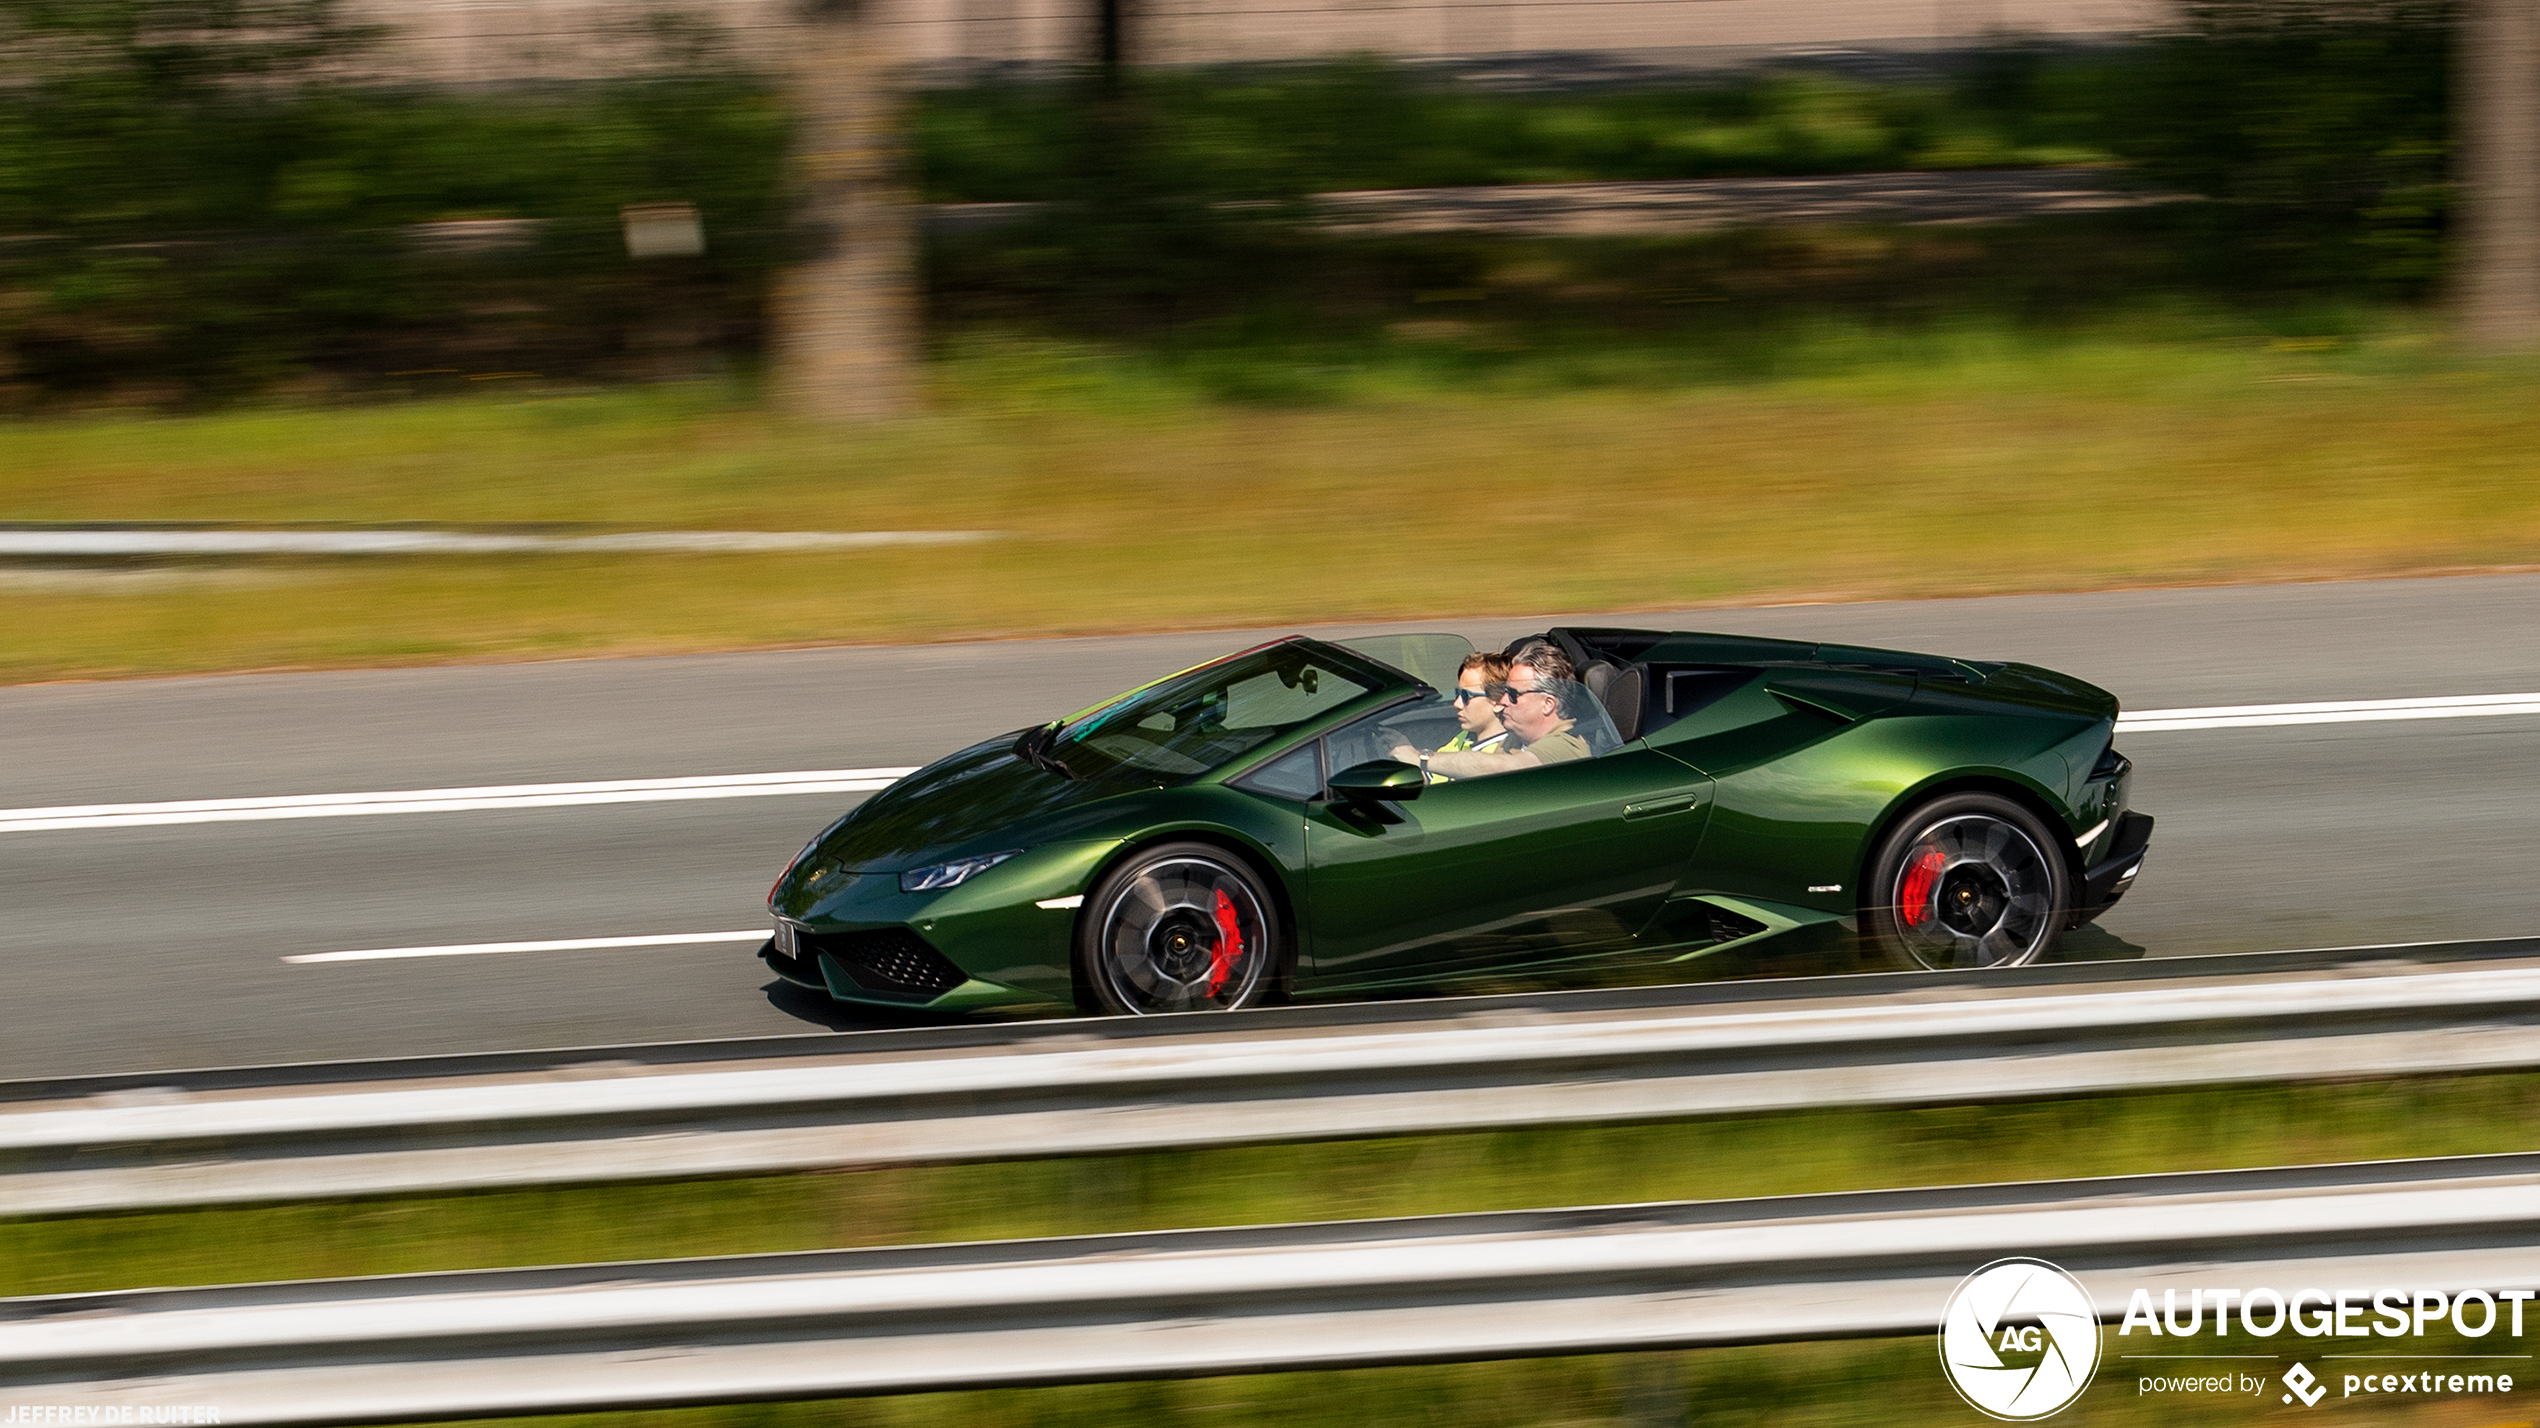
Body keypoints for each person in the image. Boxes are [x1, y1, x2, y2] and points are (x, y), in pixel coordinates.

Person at [1415, 641, 1594, 780]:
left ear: (1547, 704)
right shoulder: (1514, 740)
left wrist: (1422, 759)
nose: (1503, 700)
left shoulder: (1565, 746)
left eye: (1513, 694)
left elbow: (1499, 768)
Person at [1386, 652, 1511, 781]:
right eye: (1457, 693)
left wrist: (1416, 758)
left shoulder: (1505, 753)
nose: (1457, 703)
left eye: (1466, 696)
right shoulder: (1464, 737)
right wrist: (1403, 750)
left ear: (1498, 702)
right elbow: (1433, 777)